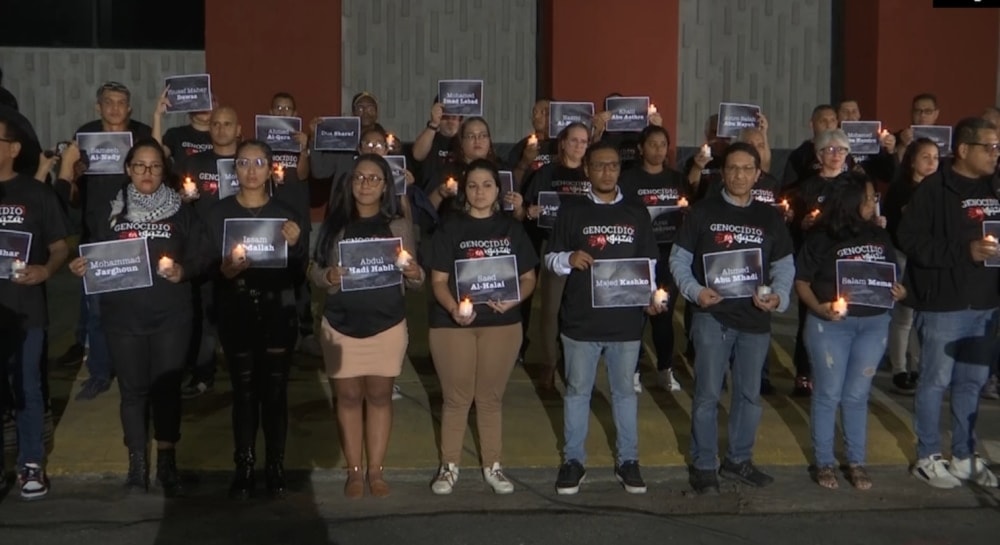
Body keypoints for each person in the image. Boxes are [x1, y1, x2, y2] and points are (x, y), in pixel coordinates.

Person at [68, 139, 204, 496]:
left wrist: (184, 270)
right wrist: (81, 266)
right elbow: (91, 253)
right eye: (140, 166)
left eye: (155, 166)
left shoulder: (182, 211)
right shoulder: (109, 211)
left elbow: (204, 254)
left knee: (167, 390)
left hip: (171, 316)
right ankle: (137, 467)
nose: (147, 172)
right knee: (132, 392)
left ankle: (167, 464)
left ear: (164, 171)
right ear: (128, 169)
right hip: (122, 318)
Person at [670, 142, 794, 495]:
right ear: (723, 173)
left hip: (755, 319)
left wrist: (779, 297)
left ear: (758, 174)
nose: (739, 175)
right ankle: (704, 464)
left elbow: (783, 265)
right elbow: (679, 260)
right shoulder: (701, 212)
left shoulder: (770, 217)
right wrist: (695, 292)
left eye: (747, 169)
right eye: (733, 168)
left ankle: (739, 460)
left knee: (749, 396)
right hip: (713, 316)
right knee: (708, 395)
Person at [545, 142, 660, 496]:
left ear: (619, 170)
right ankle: (573, 460)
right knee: (578, 391)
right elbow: (549, 258)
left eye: (612, 166)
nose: (606, 172)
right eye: (599, 166)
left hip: (625, 322)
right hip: (581, 321)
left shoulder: (636, 212)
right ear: (587, 171)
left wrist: (651, 296)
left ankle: (628, 460)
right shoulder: (571, 211)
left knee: (624, 392)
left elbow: (649, 263)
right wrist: (568, 258)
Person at [310, 154, 424, 498]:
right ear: (350, 183)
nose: (365, 184)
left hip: (386, 325)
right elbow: (312, 270)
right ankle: (354, 470)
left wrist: (415, 273)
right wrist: (326, 275)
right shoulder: (334, 225)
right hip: (341, 325)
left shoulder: (399, 227)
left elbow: (416, 279)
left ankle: (375, 469)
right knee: (346, 397)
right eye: (359, 177)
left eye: (374, 178)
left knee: (378, 396)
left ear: (386, 186)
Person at [897, 117, 1000, 489]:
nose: (995, 154)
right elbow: (909, 239)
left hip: (986, 302)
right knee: (935, 381)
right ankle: (927, 455)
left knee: (971, 383)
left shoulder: (995, 186)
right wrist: (963, 250)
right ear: (962, 150)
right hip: (944, 302)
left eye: (997, 147)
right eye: (988, 147)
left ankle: (963, 454)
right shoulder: (933, 189)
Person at [427, 159, 538, 495]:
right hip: (453, 325)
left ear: (498, 190)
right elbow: (438, 280)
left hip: (502, 323)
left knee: (490, 398)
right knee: (456, 398)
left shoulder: (512, 230)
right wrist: (452, 309)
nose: (479, 192)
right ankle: (449, 467)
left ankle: (493, 465)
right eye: (472, 185)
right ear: (464, 190)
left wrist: (514, 298)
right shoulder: (449, 227)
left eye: (487, 185)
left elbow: (529, 278)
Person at [204, 139, 306, 499]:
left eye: (258, 162)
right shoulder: (217, 215)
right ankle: (244, 466)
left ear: (269, 168)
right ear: (235, 169)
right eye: (243, 163)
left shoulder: (286, 213)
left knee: (275, 394)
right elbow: (205, 267)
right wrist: (225, 271)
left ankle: (275, 465)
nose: (251, 170)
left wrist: (295, 246)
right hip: (237, 313)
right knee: (244, 393)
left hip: (278, 312)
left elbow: (300, 273)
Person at [795, 174, 906, 490]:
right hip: (831, 326)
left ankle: (856, 461)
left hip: (874, 325)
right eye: (870, 197)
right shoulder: (820, 238)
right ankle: (824, 462)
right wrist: (819, 308)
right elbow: (801, 282)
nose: (873, 203)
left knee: (857, 395)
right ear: (852, 201)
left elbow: (891, 278)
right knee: (828, 393)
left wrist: (898, 291)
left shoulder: (881, 236)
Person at [57, 81, 153, 401]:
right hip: (96, 237)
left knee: (137, 311)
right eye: (108, 102)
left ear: (130, 108)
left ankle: (139, 371)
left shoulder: (142, 134)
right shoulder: (84, 136)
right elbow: (71, 191)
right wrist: (74, 170)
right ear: (98, 107)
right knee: (97, 313)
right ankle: (99, 372)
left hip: (135, 234)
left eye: (121, 102)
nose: (115, 108)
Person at [0, 108, 71, 500]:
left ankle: (31, 463)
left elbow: (59, 247)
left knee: (27, 387)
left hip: (27, 310)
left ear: (12, 148)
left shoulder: (36, 194)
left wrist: (45, 271)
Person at [173, 106, 241, 399]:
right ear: (208, 128)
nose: (221, 129)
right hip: (204, 252)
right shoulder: (194, 163)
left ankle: (244, 373)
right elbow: (177, 206)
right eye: (216, 124)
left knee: (241, 316)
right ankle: (203, 375)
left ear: (238, 129)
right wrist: (183, 199)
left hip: (242, 251)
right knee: (203, 318)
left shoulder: (249, 161)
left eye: (228, 124)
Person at [519, 122, 591, 388]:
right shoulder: (546, 173)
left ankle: (574, 361)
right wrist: (531, 211)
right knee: (551, 309)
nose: (578, 146)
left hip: (585, 248)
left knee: (579, 308)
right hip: (553, 246)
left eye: (584, 142)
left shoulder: (591, 175)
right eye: (574, 140)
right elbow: (526, 207)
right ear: (562, 143)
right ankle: (549, 362)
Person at [618, 125, 685, 392]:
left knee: (664, 315)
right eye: (653, 144)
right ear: (641, 148)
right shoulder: (628, 179)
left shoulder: (676, 179)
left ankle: (665, 369)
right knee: (636, 314)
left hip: (669, 254)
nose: (658, 149)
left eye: (662, 144)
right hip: (637, 254)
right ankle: (632, 370)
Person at [789, 129, 854, 397]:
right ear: (818, 155)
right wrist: (801, 223)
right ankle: (804, 371)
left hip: (847, 258)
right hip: (815, 260)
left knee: (848, 315)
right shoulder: (807, 187)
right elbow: (793, 222)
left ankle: (842, 369)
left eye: (841, 150)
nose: (836, 155)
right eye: (829, 150)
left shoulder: (856, 186)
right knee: (810, 316)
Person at [882, 138, 940, 395]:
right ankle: (900, 369)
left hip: (929, 258)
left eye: (936, 158)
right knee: (904, 315)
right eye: (925, 157)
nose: (931, 162)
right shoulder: (901, 189)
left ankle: (919, 366)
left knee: (923, 315)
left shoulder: (940, 189)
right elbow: (895, 226)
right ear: (912, 160)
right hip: (903, 256)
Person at [152, 88, 215, 169]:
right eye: (198, 101)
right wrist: (157, 115)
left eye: (208, 100)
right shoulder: (176, 134)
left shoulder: (223, 135)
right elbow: (155, 156)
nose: (203, 106)